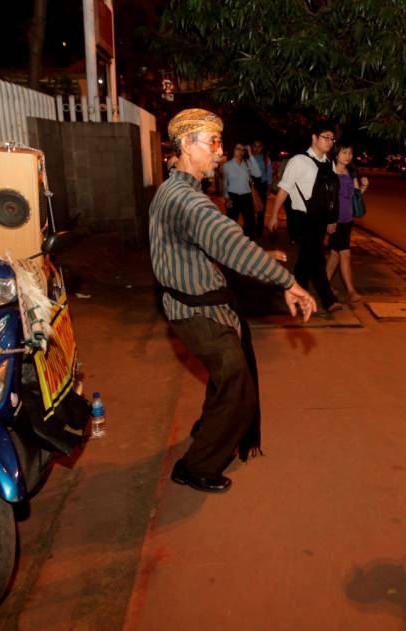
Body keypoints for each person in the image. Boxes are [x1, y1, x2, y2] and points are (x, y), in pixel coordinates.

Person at [150, 109, 316, 494]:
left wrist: (257, 254)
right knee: (239, 391)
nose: (220, 153)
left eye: (220, 142)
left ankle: (208, 430)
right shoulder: (189, 202)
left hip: (192, 306)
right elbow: (225, 240)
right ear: (187, 146)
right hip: (198, 313)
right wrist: (287, 282)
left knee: (226, 378)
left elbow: (217, 242)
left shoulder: (174, 189)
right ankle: (196, 467)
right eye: (213, 143)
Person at [269, 121, 342, 316]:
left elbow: (332, 194)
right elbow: (284, 188)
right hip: (302, 218)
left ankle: (293, 290)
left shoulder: (329, 163)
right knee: (316, 257)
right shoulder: (299, 161)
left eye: (332, 139)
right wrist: (274, 215)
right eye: (325, 137)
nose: (329, 142)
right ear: (314, 138)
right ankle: (328, 299)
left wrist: (332, 219)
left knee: (305, 260)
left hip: (320, 218)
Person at [325, 140, 369, 303]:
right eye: (344, 152)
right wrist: (329, 220)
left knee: (335, 255)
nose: (348, 156)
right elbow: (326, 200)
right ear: (336, 154)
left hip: (347, 221)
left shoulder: (351, 173)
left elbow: (356, 197)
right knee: (345, 255)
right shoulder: (329, 173)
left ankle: (324, 284)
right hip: (334, 221)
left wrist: (363, 187)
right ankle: (351, 291)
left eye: (350, 153)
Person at [222, 142, 261, 239]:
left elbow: (258, 174)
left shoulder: (247, 164)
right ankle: (230, 245)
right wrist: (227, 198)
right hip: (233, 197)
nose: (241, 152)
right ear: (233, 150)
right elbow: (224, 184)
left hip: (246, 197)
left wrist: (250, 154)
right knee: (231, 224)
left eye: (243, 149)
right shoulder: (227, 166)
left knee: (250, 223)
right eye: (238, 149)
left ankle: (249, 245)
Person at [248, 139, 273, 238]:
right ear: (252, 147)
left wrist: (269, 187)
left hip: (262, 185)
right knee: (251, 209)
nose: (257, 148)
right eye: (255, 146)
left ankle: (259, 230)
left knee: (261, 210)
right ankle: (251, 229)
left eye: (259, 146)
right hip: (251, 186)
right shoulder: (249, 158)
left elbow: (269, 173)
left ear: (262, 148)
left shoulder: (266, 159)